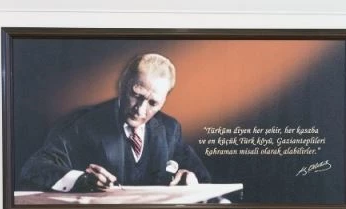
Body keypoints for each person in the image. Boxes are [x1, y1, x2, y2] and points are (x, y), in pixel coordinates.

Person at [19, 53, 210, 192]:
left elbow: (203, 178)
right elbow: (34, 168)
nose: (140, 110)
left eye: (153, 103)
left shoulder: (170, 128)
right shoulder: (82, 124)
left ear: (164, 101)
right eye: (136, 95)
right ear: (122, 84)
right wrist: (81, 180)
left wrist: (191, 179)